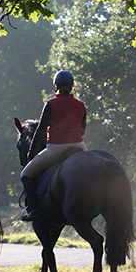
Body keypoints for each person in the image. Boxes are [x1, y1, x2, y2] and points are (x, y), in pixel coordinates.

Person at [21, 70, 87, 222]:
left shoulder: (51, 104)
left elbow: (41, 129)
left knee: (25, 174)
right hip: (79, 146)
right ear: (72, 87)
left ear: (55, 86)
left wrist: (31, 153)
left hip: (56, 148)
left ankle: (35, 211)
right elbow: (83, 128)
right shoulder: (80, 105)